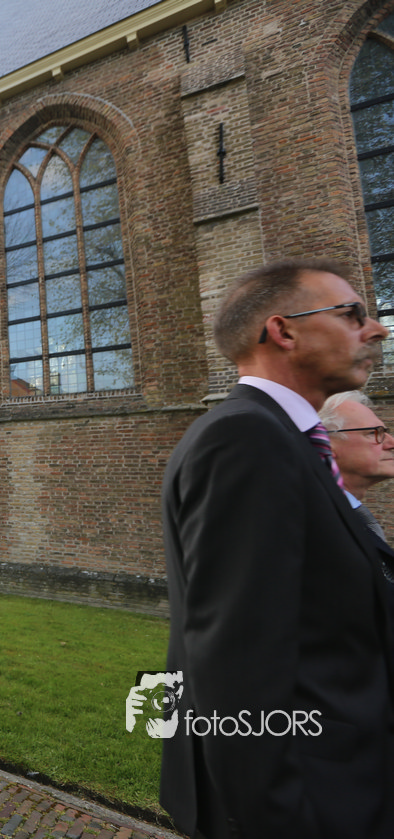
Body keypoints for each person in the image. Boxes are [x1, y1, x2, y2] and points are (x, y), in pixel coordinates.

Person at [160, 258, 394, 837]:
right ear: (283, 331)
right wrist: (278, 819)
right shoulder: (246, 437)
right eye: (352, 314)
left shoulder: (287, 439)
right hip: (313, 799)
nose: (376, 329)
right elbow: (236, 663)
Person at [320, 390, 394, 546]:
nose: (391, 443)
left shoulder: (351, 517)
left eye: (385, 432)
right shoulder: (317, 522)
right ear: (326, 445)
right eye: (373, 433)